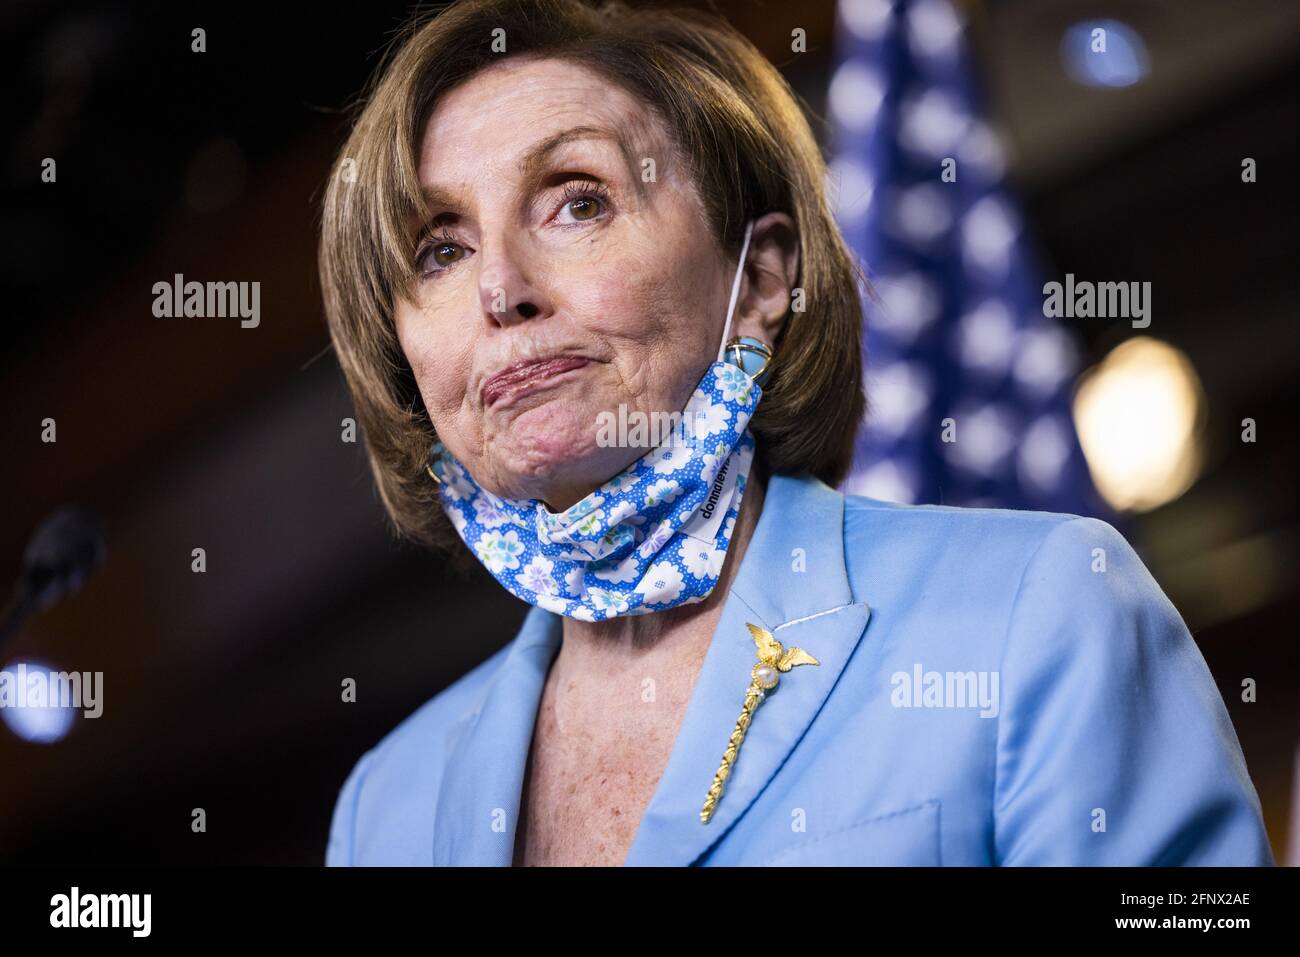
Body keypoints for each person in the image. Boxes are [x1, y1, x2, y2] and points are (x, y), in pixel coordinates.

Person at [317, 0, 1273, 866]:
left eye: (578, 200)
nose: (499, 288)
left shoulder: (1041, 609)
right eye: (440, 248)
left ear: (763, 282)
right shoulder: (383, 808)